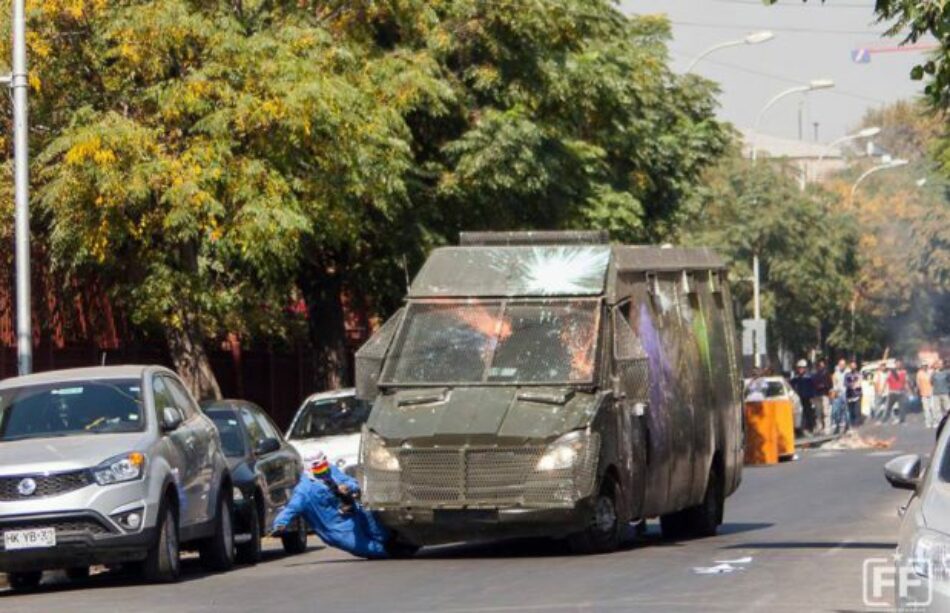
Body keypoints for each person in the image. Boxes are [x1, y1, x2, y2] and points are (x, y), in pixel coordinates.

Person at [272, 451, 393, 559]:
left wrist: (348, 487)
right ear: (309, 468)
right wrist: (280, 523)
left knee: (376, 524)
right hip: (338, 529)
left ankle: (393, 540)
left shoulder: (331, 470)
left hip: (355, 511)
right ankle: (395, 551)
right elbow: (292, 508)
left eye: (325, 465)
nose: (324, 470)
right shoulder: (304, 491)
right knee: (374, 550)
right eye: (319, 468)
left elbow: (352, 482)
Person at [790, 359, 817, 434]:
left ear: (805, 368)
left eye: (802, 368)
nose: (800, 369)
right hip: (799, 398)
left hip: (808, 398)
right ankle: (801, 429)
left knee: (809, 413)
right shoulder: (796, 377)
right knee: (800, 413)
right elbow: (791, 385)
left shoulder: (809, 377)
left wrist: (812, 396)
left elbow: (813, 387)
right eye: (799, 368)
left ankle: (810, 427)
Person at [883, 359, 909, 425]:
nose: (898, 365)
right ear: (895, 364)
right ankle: (885, 420)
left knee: (902, 407)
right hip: (892, 392)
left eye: (899, 364)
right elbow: (886, 381)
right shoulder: (890, 372)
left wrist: (908, 391)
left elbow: (906, 382)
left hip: (901, 392)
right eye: (897, 364)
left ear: (901, 365)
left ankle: (902, 421)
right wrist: (883, 390)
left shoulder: (904, 372)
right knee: (888, 407)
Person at [812, 359, 832, 435]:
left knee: (826, 412)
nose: (821, 366)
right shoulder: (815, 375)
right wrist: (818, 386)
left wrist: (824, 386)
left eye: (822, 365)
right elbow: (813, 384)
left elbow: (830, 385)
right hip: (817, 395)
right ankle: (819, 428)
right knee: (818, 413)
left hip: (825, 395)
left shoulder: (827, 374)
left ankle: (827, 429)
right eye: (819, 365)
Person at [830, 359, 850, 433]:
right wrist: (834, 392)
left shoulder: (848, 372)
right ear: (838, 365)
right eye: (840, 364)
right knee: (836, 410)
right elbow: (834, 383)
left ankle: (845, 426)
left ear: (845, 365)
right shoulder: (836, 373)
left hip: (846, 393)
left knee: (846, 410)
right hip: (838, 393)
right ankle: (836, 426)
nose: (842, 366)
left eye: (843, 364)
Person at [918, 362, 938, 428]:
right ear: (921, 366)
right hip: (924, 393)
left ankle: (935, 422)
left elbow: (934, 380)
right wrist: (920, 392)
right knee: (926, 409)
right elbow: (918, 384)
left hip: (932, 392)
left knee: (933, 408)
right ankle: (928, 422)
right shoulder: (919, 374)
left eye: (925, 366)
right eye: (923, 366)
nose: (924, 367)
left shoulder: (931, 372)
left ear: (927, 366)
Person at [845, 359, 863, 426]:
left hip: (857, 394)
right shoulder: (847, 374)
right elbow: (846, 383)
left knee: (857, 410)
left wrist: (853, 384)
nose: (852, 367)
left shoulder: (859, 374)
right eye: (851, 366)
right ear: (850, 366)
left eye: (854, 365)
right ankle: (852, 423)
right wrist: (852, 385)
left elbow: (859, 384)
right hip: (849, 395)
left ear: (856, 366)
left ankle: (858, 423)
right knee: (851, 410)